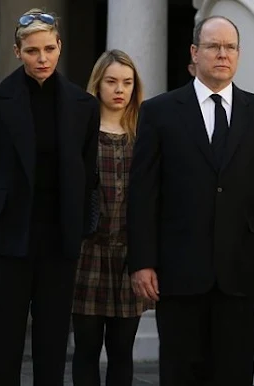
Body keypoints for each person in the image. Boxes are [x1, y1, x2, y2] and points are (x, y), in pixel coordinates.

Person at [127, 16, 254, 386]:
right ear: (195, 52)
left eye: (230, 47)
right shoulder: (159, 112)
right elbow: (143, 194)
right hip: (178, 272)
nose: (223, 54)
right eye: (213, 46)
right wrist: (142, 262)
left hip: (241, 270)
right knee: (180, 373)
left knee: (234, 374)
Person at [0, 8, 99, 386]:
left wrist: (81, 225)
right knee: (5, 341)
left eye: (49, 49)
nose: (42, 59)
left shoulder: (83, 105)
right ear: (18, 51)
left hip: (59, 237)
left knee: (53, 343)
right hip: (5, 235)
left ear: (60, 48)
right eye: (33, 51)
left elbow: (88, 173)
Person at [71, 49, 151, 386]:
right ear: (98, 84)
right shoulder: (82, 133)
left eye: (127, 83)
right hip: (87, 253)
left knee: (122, 348)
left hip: (128, 257)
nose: (120, 89)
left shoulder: (144, 135)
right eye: (112, 82)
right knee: (87, 346)